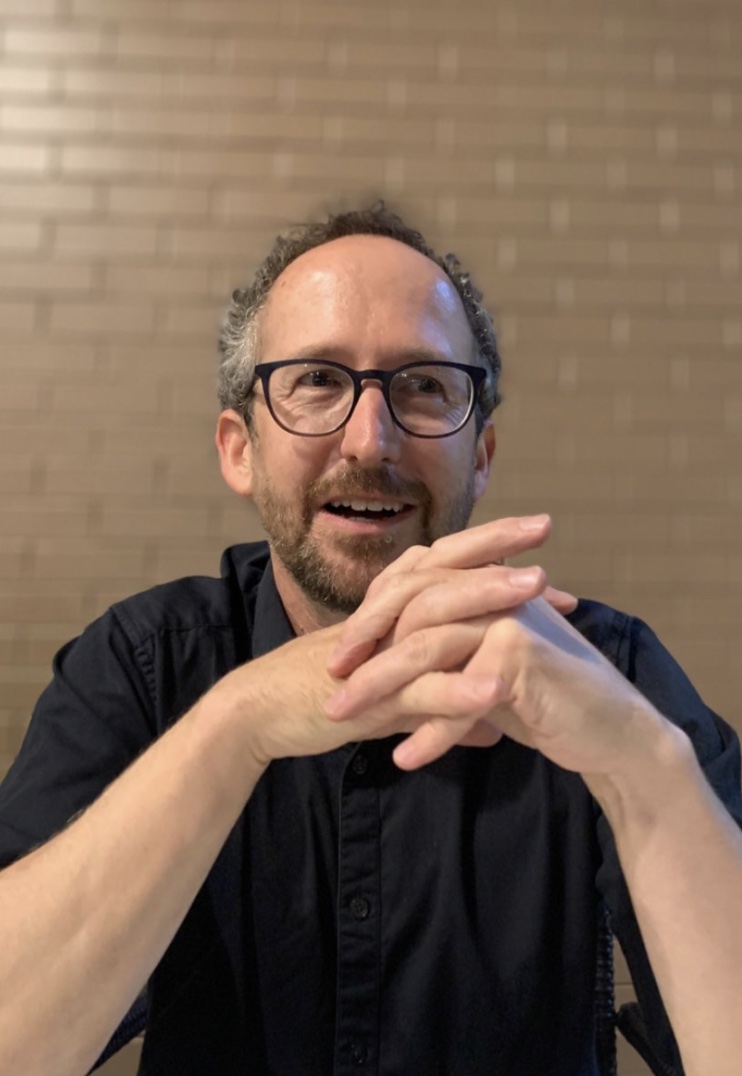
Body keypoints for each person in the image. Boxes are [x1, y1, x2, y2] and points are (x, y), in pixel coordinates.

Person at [0, 205, 740, 1076]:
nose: (369, 438)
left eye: (424, 385)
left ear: (483, 451)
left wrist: (643, 770)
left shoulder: (607, 678)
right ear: (240, 449)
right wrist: (236, 723)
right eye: (316, 379)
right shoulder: (145, 665)